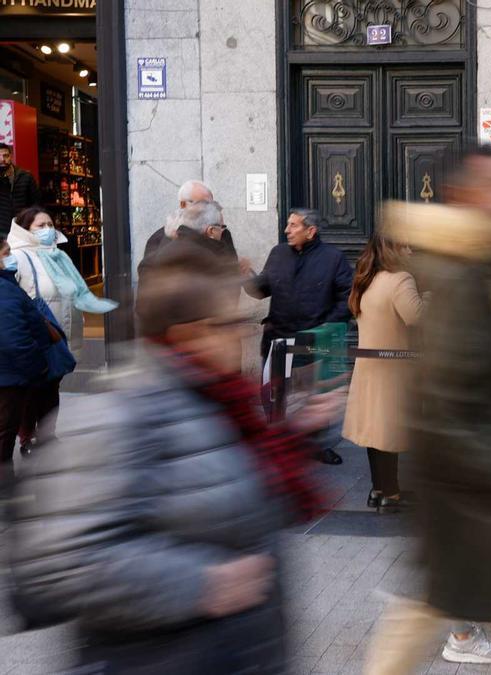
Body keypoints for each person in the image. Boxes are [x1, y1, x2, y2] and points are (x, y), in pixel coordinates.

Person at [8, 241, 337, 673]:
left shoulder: (228, 408)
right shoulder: (124, 416)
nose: (241, 332)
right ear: (188, 335)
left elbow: (233, 503)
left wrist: (294, 437)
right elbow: (62, 563)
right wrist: (203, 583)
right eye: (227, 323)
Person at [365, 155, 491, 670]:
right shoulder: (463, 274)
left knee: (432, 605)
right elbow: (450, 389)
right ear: (463, 194)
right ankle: (464, 639)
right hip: (466, 479)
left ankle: (460, 636)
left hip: (469, 475)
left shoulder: (481, 264)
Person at [243, 208, 352, 465]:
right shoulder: (278, 253)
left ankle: (319, 445)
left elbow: (347, 296)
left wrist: (326, 327)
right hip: (277, 339)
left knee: (317, 396)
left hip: (313, 341)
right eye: (287, 225)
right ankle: (280, 446)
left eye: (293, 226)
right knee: (275, 397)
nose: (286, 230)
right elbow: (261, 290)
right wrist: (246, 277)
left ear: (311, 231)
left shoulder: (333, 258)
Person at [7, 207, 116, 453]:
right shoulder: (18, 257)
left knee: (51, 388)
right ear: (26, 229)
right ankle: (28, 437)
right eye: (40, 226)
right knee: (32, 390)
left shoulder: (58, 255)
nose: (48, 230)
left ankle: (47, 435)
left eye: (50, 224)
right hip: (34, 337)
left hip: (59, 336)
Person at [342, 232, 425, 512]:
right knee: (388, 431)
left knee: (374, 433)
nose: (411, 251)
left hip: (369, 367)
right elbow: (416, 317)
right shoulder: (401, 279)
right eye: (406, 245)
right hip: (392, 369)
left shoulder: (367, 279)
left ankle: (379, 489)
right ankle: (390, 494)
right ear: (394, 250)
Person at [0, 238, 51, 473]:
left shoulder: (9, 287)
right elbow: (14, 340)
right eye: (6, 253)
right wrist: (38, 367)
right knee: (4, 437)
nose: (11, 257)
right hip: (8, 379)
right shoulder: (5, 291)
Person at [142, 180, 236, 264]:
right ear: (183, 204)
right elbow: (147, 276)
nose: (208, 208)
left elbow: (232, 268)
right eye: (202, 203)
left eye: (210, 204)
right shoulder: (159, 237)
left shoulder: (221, 232)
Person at [0, 142, 40, 237]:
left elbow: (36, 203)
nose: (2, 159)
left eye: (5, 156)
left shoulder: (26, 177)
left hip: (22, 229)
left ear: (11, 157)